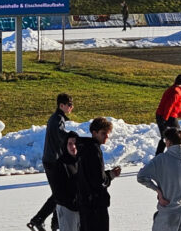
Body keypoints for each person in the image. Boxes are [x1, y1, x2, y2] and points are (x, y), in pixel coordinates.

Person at [30, 93, 74, 231]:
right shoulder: (57, 119)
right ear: (61, 105)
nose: (72, 107)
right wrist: (73, 138)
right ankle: (40, 220)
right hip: (53, 161)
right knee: (59, 193)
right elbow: (61, 135)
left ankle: (55, 222)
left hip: (53, 160)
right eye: (69, 104)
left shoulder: (56, 118)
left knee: (60, 192)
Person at [75, 117, 121, 231]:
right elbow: (98, 180)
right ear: (94, 133)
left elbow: (92, 174)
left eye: (107, 133)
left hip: (85, 202)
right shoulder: (94, 150)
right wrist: (110, 176)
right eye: (103, 133)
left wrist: (108, 174)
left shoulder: (83, 147)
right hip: (95, 204)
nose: (106, 136)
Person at [155, 75, 181, 155]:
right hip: (167, 117)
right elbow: (169, 106)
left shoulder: (174, 89)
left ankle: (158, 156)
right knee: (178, 136)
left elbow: (176, 108)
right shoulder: (176, 91)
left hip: (163, 115)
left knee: (165, 137)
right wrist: (165, 119)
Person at [53, 132, 82, 231]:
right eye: (70, 143)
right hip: (67, 209)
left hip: (82, 208)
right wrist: (72, 204)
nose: (73, 146)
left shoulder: (82, 161)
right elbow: (57, 192)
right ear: (65, 145)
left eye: (75, 143)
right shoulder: (61, 164)